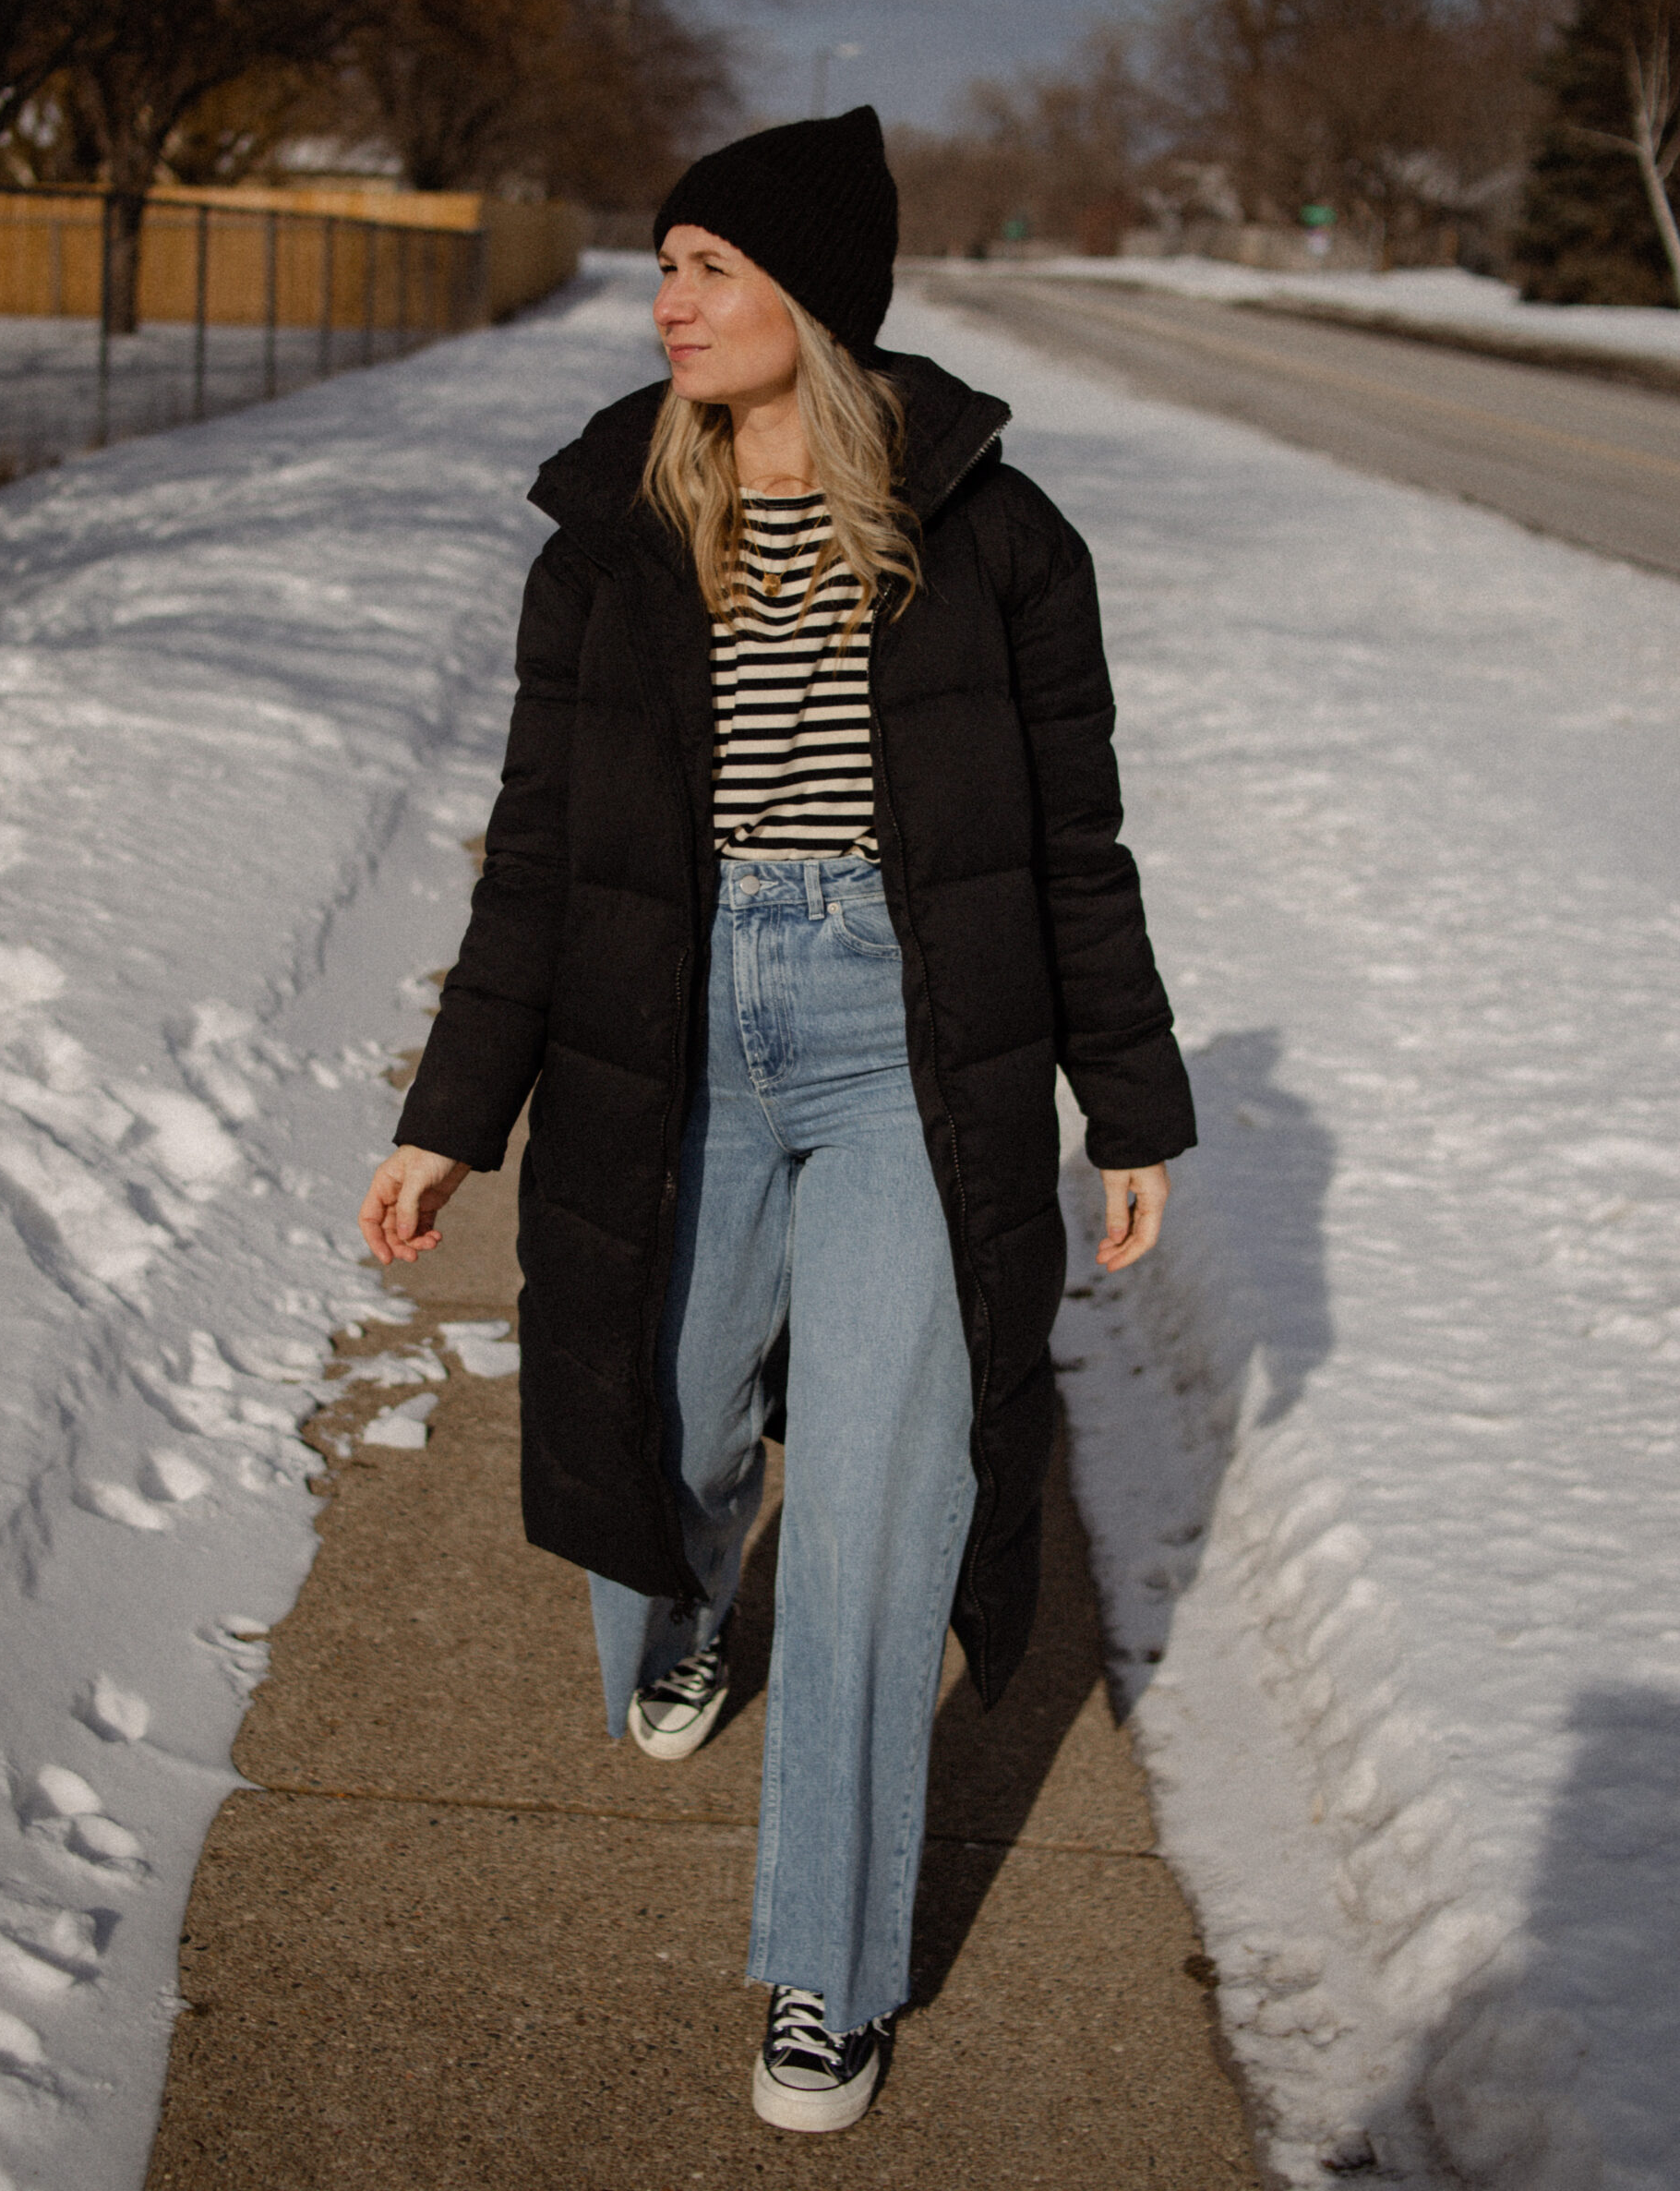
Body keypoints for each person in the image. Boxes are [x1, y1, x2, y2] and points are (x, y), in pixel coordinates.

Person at [358, 106, 1195, 2135]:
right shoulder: (613, 539)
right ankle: (685, 1595)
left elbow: (1069, 849)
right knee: (655, 1406)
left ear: (809, 298)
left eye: (709, 267)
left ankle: (826, 1968)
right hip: (677, 1021)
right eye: (662, 264)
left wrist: (1129, 1107)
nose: (666, 302)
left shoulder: (1000, 535)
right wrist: (450, 1111)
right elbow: (538, 858)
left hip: (910, 1045)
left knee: (886, 1518)